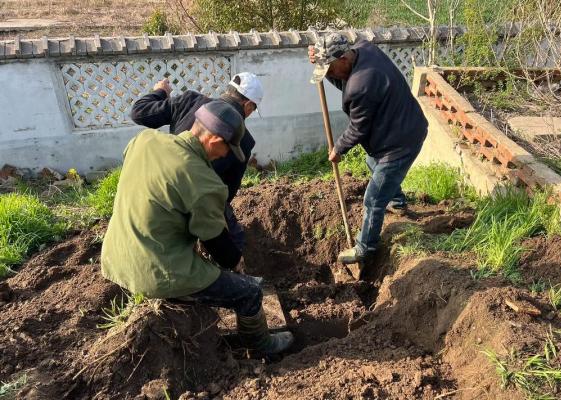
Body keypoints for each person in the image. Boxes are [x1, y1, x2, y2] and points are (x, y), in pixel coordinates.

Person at [101, 100, 293, 354]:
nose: (225, 156)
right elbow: (220, 250)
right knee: (249, 293)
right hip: (156, 271)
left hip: (116, 256)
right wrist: (236, 264)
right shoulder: (204, 182)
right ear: (215, 142)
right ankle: (261, 346)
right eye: (227, 149)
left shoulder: (144, 141)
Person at [309, 33, 429, 265]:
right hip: (399, 127)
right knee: (372, 163)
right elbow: (341, 77)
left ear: (343, 58)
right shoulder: (364, 49)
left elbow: (357, 129)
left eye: (330, 69)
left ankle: (365, 249)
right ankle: (397, 201)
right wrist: (318, 62)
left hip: (400, 142)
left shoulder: (361, 85)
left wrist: (338, 149)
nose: (330, 75)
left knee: (373, 199)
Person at [130, 72, 264, 251]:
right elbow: (226, 194)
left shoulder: (188, 100)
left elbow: (139, 113)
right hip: (198, 200)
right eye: (253, 109)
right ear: (248, 105)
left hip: (159, 188)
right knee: (234, 242)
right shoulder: (243, 141)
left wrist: (161, 91)